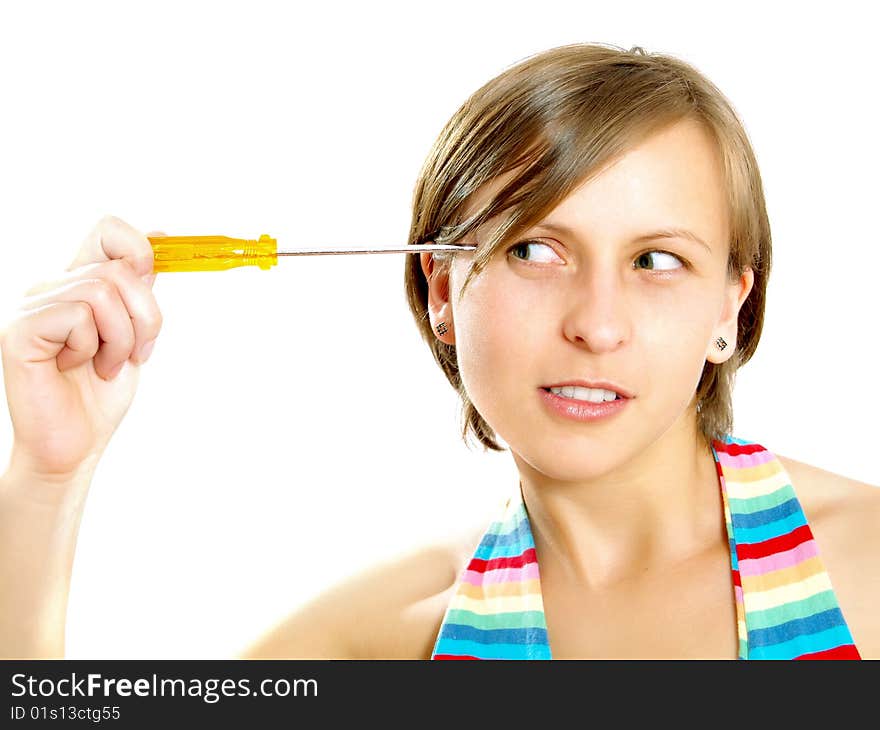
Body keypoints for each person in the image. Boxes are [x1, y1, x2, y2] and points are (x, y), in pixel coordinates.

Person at [1, 42, 877, 660]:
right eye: (534, 249)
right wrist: (48, 474)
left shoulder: (866, 559)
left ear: (732, 305)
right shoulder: (380, 640)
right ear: (442, 294)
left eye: (657, 261)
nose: (596, 325)